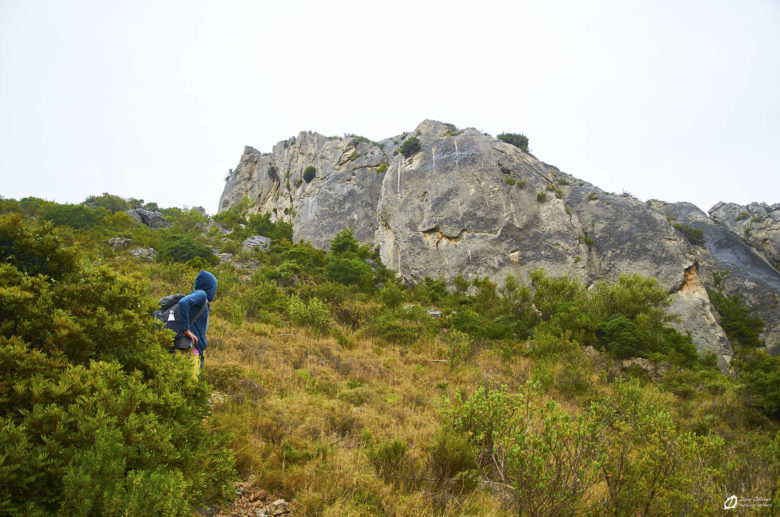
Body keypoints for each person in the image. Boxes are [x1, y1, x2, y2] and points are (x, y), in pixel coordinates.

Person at [177, 270, 217, 371]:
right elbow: (183, 303)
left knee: (191, 383)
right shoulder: (201, 294)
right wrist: (186, 330)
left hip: (192, 349)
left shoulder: (202, 300)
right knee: (190, 384)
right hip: (188, 349)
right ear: (209, 287)